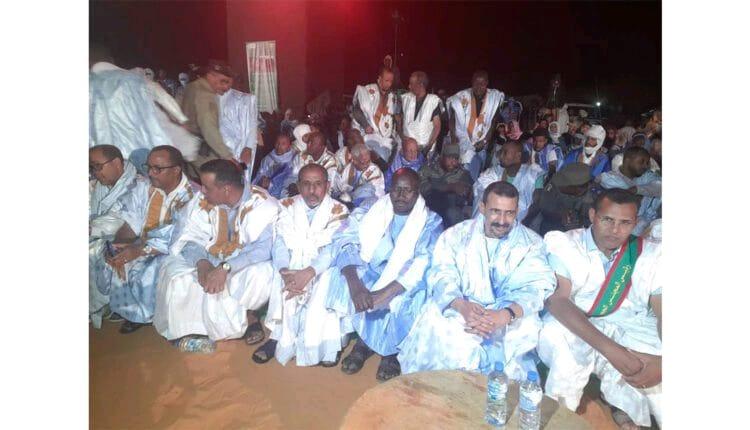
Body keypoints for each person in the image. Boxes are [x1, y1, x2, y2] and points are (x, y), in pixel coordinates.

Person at [398, 182, 555, 378]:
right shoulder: (456, 236)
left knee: (524, 330)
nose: (502, 221)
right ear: (482, 207)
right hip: (461, 306)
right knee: (439, 325)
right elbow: (441, 273)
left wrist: (504, 314)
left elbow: (537, 287)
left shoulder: (531, 243)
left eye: (509, 213)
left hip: (508, 314)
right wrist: (461, 306)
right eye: (495, 211)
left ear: (517, 211)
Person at [539, 189, 662, 429]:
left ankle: (625, 409)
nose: (615, 230)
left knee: (655, 364)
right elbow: (558, 301)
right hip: (573, 321)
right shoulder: (565, 243)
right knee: (566, 350)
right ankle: (559, 417)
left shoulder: (650, 253)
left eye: (625, 223)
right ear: (592, 215)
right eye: (607, 220)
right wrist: (612, 350)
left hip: (628, 324)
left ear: (635, 223)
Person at [326, 168, 444, 381]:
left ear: (417, 192)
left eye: (408, 190)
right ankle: (364, 343)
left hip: (403, 279)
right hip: (371, 269)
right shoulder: (371, 208)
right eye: (396, 189)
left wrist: (386, 293)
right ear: (389, 189)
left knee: (410, 295)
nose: (401, 196)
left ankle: (393, 351)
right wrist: (355, 284)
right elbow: (343, 238)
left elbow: (424, 261)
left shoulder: (431, 220)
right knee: (339, 275)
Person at [154, 160, 279, 349]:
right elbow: (190, 237)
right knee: (174, 272)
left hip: (242, 263)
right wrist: (202, 263)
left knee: (261, 275)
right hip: (209, 256)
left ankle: (246, 318)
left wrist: (225, 268)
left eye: (207, 187)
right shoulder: (203, 200)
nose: (202, 190)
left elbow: (262, 250)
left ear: (226, 189)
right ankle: (190, 332)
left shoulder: (263, 205)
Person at [254, 164, 351, 366]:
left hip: (322, 265)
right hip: (290, 264)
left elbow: (333, 249)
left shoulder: (339, 210)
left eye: (318, 184)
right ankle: (279, 338)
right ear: (298, 186)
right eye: (306, 184)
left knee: (327, 280)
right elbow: (279, 242)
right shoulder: (285, 205)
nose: (312, 190)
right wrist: (284, 271)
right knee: (278, 276)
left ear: (328, 185)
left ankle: (325, 346)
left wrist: (309, 272)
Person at [93, 146, 196, 334]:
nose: (150, 173)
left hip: (176, 249)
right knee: (113, 254)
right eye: (149, 167)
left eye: (158, 169)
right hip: (145, 244)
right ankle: (133, 313)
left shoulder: (192, 196)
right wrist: (121, 243)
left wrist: (140, 250)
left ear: (176, 170)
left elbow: (177, 236)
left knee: (149, 269)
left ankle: (151, 313)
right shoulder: (145, 187)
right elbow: (130, 218)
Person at [90, 61, 191, 163]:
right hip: (144, 137)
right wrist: (181, 118)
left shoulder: (95, 89)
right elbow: (164, 97)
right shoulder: (136, 80)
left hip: (113, 146)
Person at [89, 145, 143, 327]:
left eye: (98, 166)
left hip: (129, 235)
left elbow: (119, 219)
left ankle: (121, 309)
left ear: (117, 163)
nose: (95, 172)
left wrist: (90, 229)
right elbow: (93, 211)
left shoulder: (136, 183)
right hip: (101, 233)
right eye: (92, 167)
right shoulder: (102, 184)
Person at [448, 70, 505, 181]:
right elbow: (452, 119)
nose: (479, 86)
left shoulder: (494, 98)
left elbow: (493, 121)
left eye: (482, 83)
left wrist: (485, 140)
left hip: (482, 143)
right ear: (472, 82)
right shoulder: (461, 97)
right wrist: (454, 139)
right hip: (462, 141)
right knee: (461, 173)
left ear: (487, 83)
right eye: (476, 83)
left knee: (476, 174)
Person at [181, 60, 236, 171]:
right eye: (223, 81)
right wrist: (227, 156)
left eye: (229, 84)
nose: (226, 88)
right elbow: (209, 128)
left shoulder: (192, 86)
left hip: (187, 149)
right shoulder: (205, 95)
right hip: (201, 151)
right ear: (210, 75)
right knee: (219, 178)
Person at [473, 140, 545, 223]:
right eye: (501, 152)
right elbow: (479, 194)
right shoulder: (493, 173)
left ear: (518, 156)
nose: (500, 156)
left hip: (520, 223)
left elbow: (536, 205)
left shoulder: (534, 175)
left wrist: (522, 224)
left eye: (505, 152)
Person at [596, 147, 662, 236]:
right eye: (641, 162)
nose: (645, 166)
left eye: (647, 163)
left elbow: (660, 186)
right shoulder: (608, 178)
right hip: (617, 231)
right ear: (627, 161)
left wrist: (638, 190)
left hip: (646, 230)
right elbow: (623, 191)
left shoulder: (646, 176)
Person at [523, 162, 595, 236]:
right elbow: (543, 204)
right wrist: (560, 213)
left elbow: (593, 228)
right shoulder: (555, 182)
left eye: (564, 185)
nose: (559, 185)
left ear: (578, 188)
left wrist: (578, 223)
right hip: (549, 227)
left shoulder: (593, 200)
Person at [351, 66, 400, 164]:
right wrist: (365, 125)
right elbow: (356, 110)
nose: (389, 84)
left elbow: (395, 118)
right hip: (366, 136)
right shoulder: (368, 91)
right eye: (386, 80)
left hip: (384, 139)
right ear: (379, 78)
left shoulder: (393, 97)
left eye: (391, 81)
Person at [418, 144, 474, 228]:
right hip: (427, 209)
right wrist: (450, 187)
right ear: (442, 157)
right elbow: (422, 188)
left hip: (450, 214)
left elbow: (466, 195)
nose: (453, 162)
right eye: (450, 158)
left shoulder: (463, 174)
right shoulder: (428, 169)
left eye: (455, 158)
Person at [219, 85, 261, 180]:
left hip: (239, 147)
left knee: (239, 176)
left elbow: (252, 124)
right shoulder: (207, 96)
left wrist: (248, 147)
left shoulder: (244, 99)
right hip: (218, 147)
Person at [284, 131, 339, 197]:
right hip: (299, 192)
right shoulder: (301, 156)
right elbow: (293, 176)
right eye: (308, 142)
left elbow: (329, 188)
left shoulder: (331, 162)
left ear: (322, 147)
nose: (308, 145)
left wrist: (303, 190)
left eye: (312, 143)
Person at [400, 71, 441, 156]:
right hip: (406, 147)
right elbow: (399, 120)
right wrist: (402, 138)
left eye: (412, 84)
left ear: (421, 85)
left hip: (424, 149)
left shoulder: (432, 101)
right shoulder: (406, 98)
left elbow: (437, 126)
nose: (409, 86)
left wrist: (429, 146)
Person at [331, 143, 385, 208]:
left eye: (368, 161)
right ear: (354, 160)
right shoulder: (348, 166)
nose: (366, 165)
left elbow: (376, 193)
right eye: (363, 163)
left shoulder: (374, 171)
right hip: (344, 199)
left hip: (367, 203)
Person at [252, 133, 296, 198]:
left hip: (285, 193)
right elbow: (259, 175)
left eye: (283, 144)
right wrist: (262, 180)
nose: (279, 146)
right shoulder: (268, 158)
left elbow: (293, 178)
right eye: (277, 143)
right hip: (267, 193)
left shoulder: (294, 159)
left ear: (289, 146)